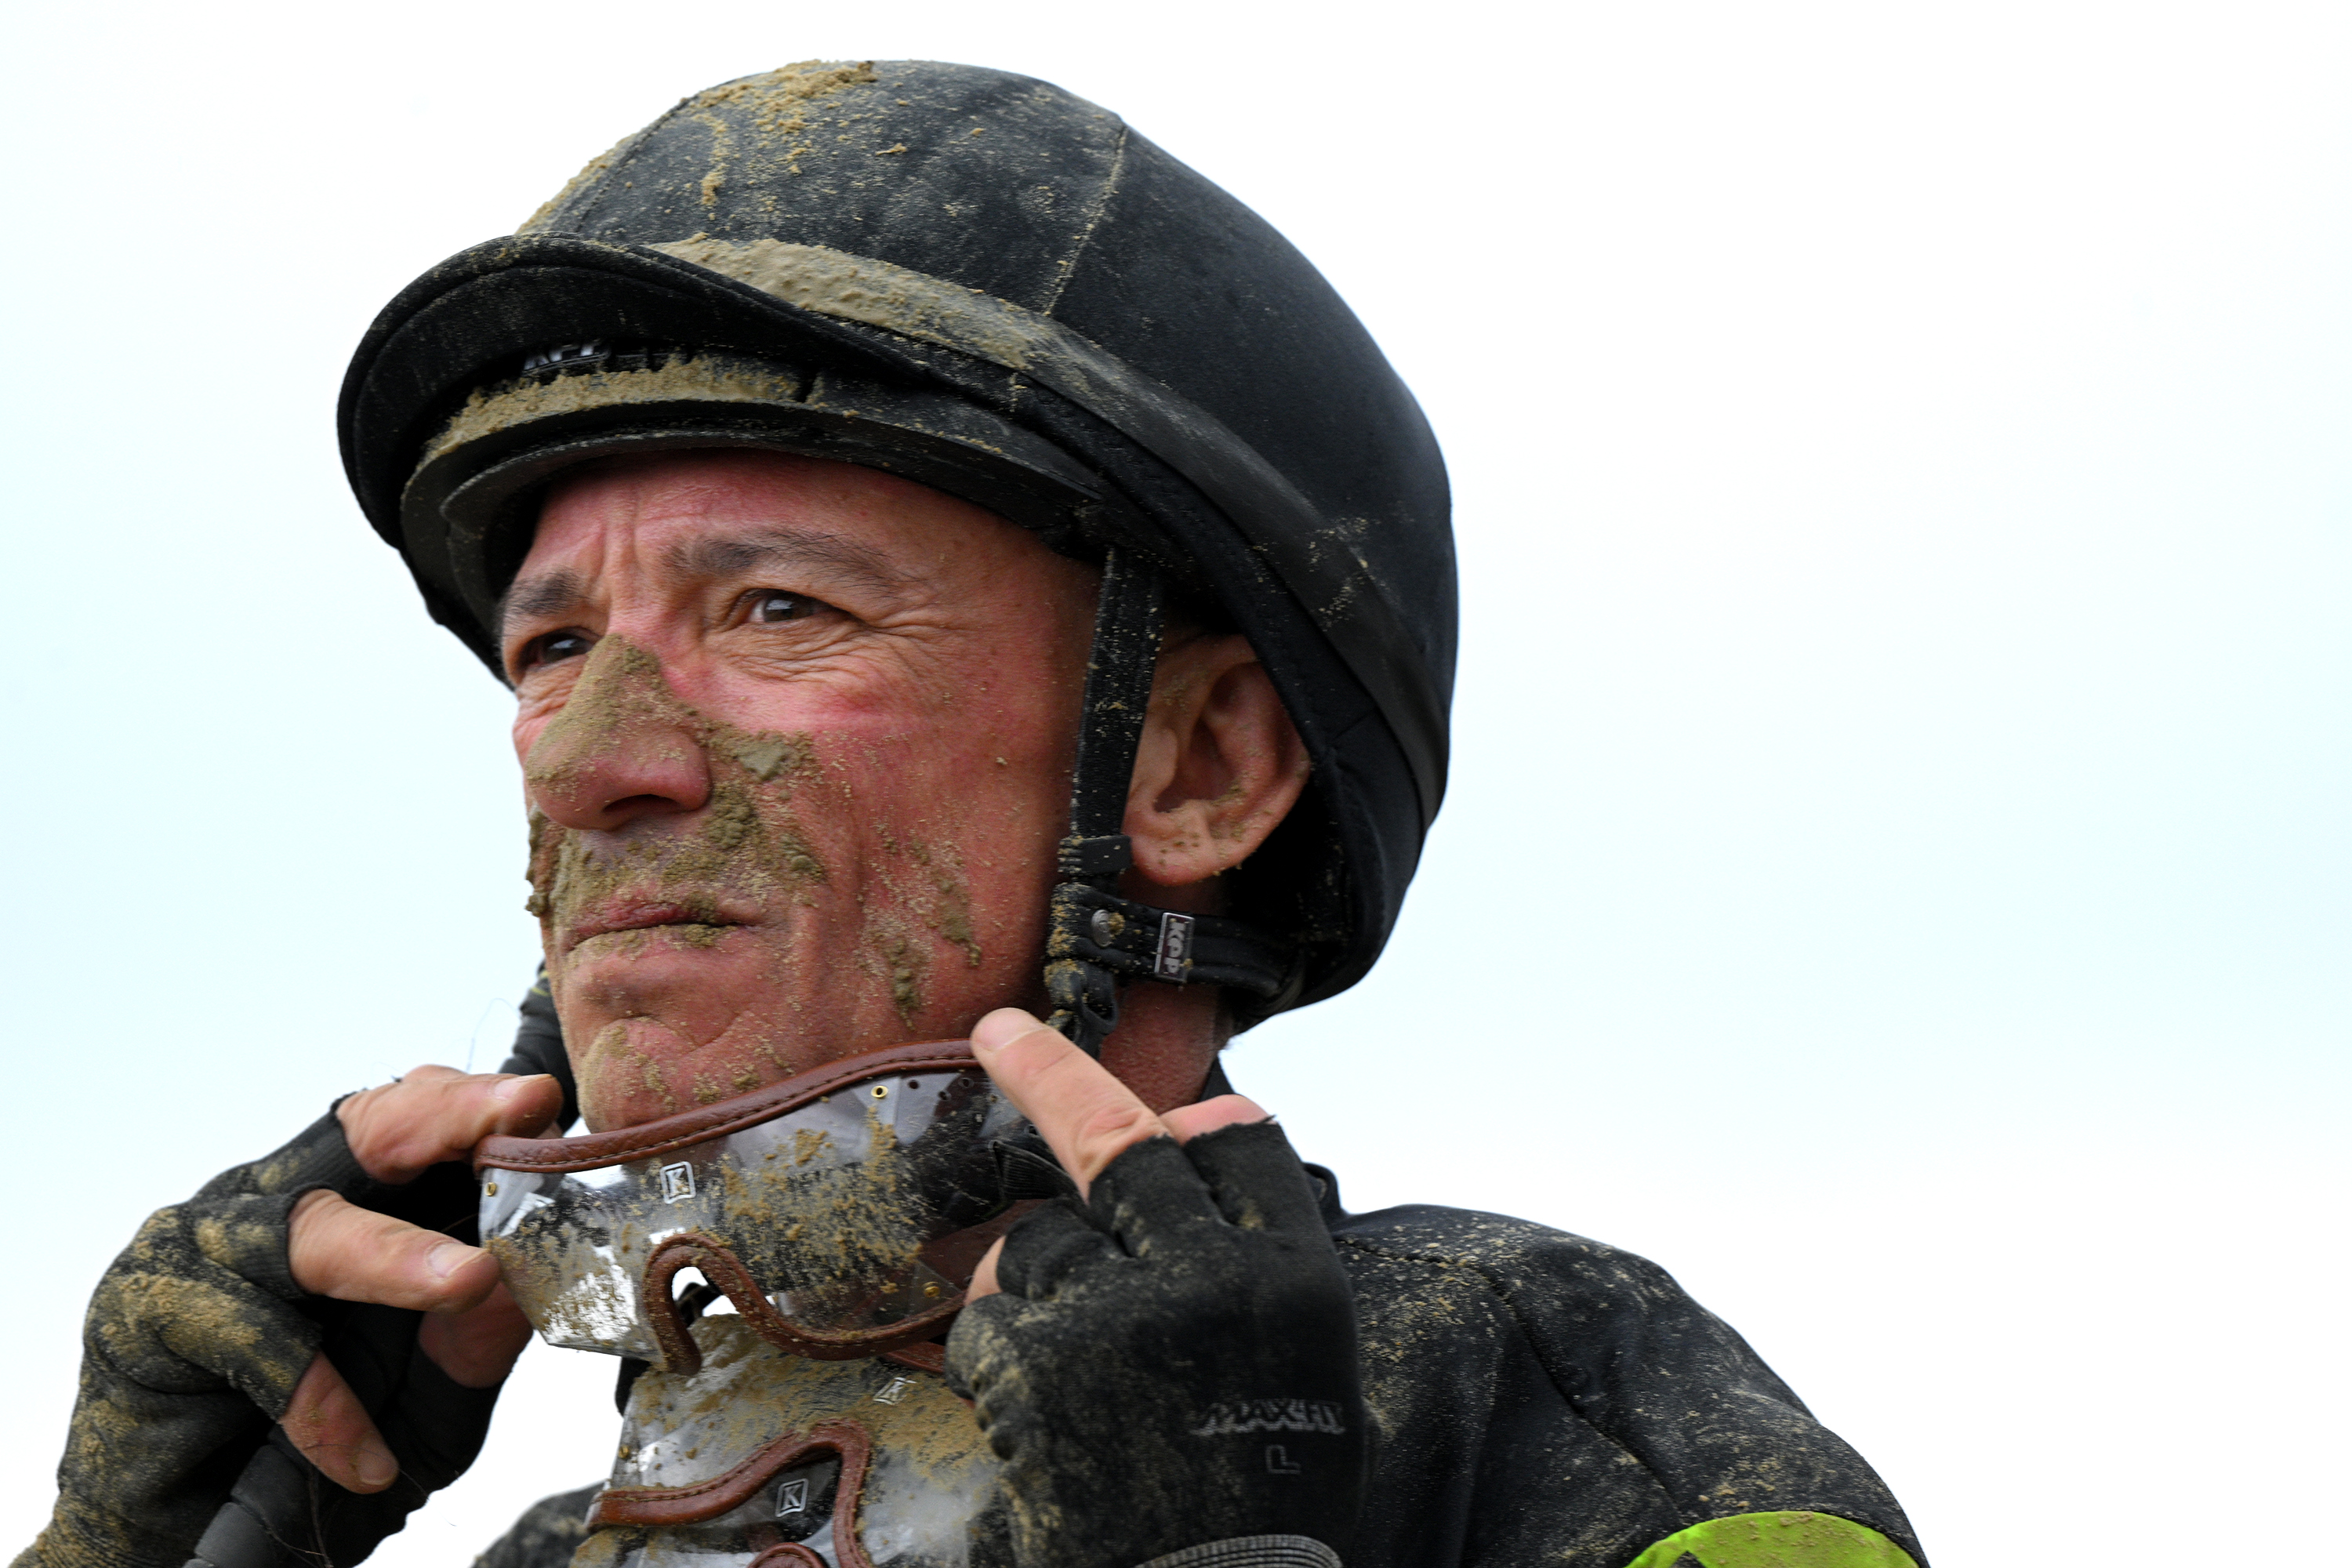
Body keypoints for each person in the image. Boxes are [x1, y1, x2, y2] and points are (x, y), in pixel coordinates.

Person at [17, 61, 1926, 1568]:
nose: (595, 761)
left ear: (1197, 768)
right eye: (552, 644)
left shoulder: (1532, 1404)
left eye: (779, 611)